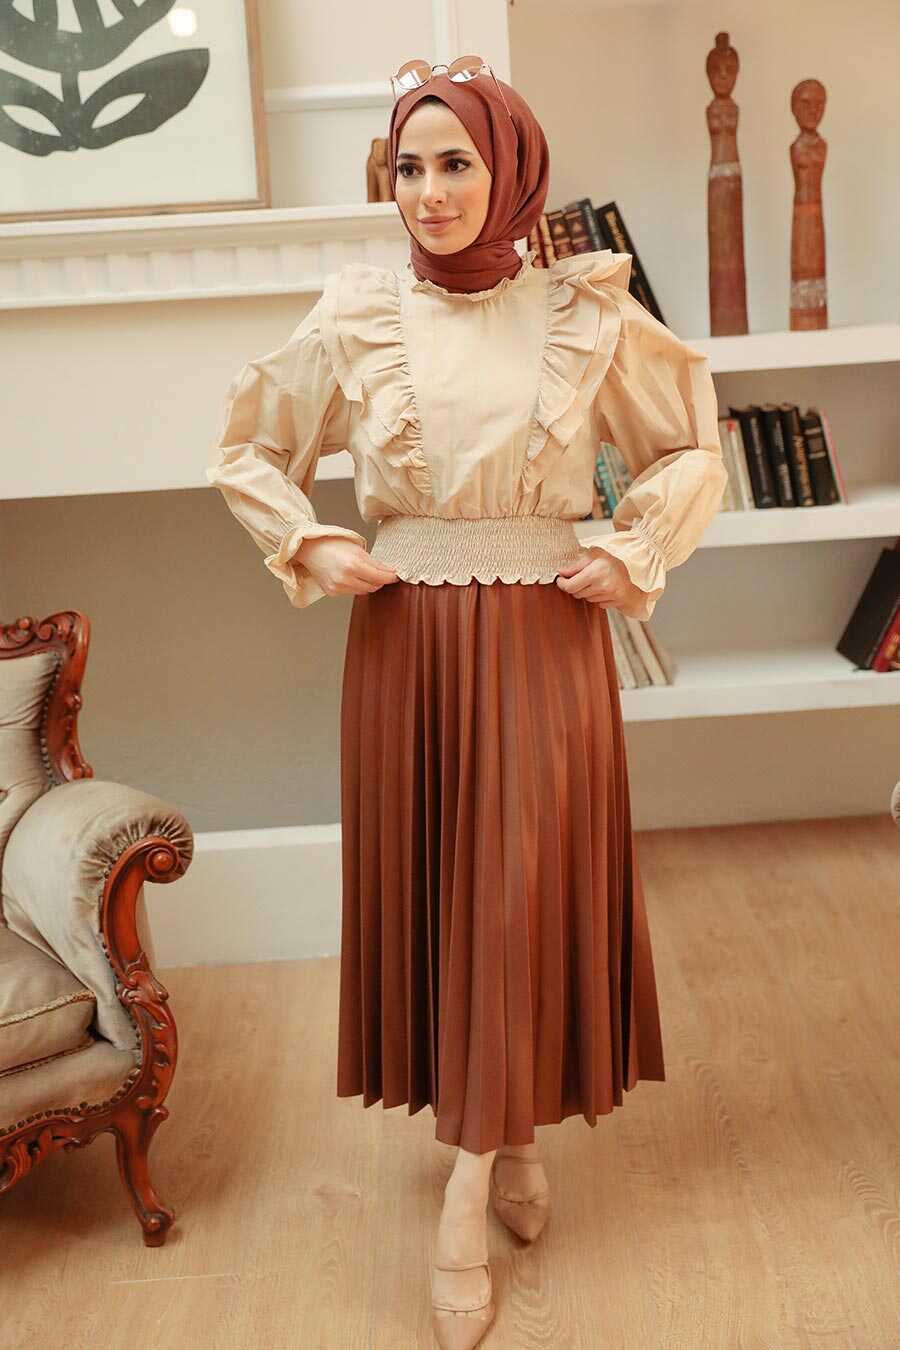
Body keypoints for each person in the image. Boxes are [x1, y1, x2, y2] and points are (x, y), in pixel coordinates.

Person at [205, 57, 728, 1350]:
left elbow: (688, 443)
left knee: (517, 896)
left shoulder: (585, 311)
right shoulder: (356, 314)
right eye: (409, 165)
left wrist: (636, 546)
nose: (430, 190)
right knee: (452, 897)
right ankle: (512, 1137)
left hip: (546, 634)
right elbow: (249, 444)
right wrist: (309, 540)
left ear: (512, 170)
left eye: (456, 162)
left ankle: (464, 1184)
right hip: (406, 641)